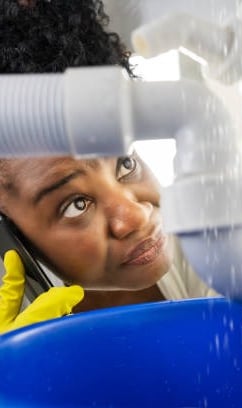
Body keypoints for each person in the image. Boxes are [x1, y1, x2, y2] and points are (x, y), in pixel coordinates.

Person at [0, 0, 217, 333]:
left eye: (126, 163)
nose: (136, 216)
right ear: (7, 230)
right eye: (76, 204)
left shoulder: (202, 240)